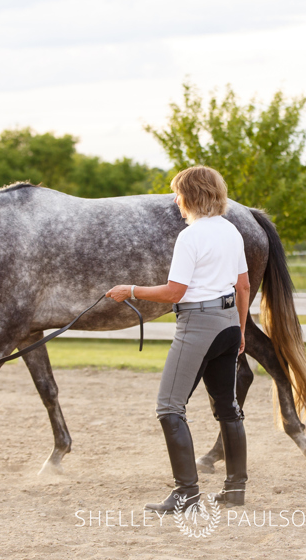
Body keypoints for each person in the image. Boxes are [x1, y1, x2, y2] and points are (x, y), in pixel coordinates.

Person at [106, 166, 250, 513]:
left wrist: (132, 290)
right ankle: (235, 489)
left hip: (198, 325)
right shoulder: (231, 230)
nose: (175, 201)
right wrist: (241, 331)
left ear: (191, 196)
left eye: (178, 194)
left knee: (169, 407)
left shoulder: (191, 236)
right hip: (229, 323)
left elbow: (175, 292)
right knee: (228, 408)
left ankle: (186, 493)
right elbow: (243, 286)